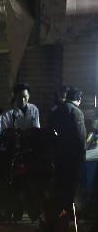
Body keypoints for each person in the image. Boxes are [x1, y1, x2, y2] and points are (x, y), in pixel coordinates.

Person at [50, 87, 87, 215]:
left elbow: (51, 133)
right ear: (79, 99)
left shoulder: (56, 111)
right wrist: (83, 154)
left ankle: (58, 212)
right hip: (72, 157)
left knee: (59, 183)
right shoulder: (76, 112)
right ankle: (69, 212)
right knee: (71, 184)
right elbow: (80, 136)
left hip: (58, 156)